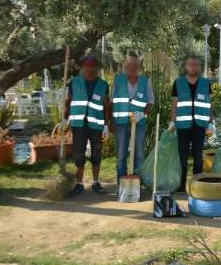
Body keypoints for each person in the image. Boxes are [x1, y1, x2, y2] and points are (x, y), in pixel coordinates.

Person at [64, 55, 110, 197]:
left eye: (92, 67)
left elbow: (106, 106)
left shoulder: (103, 85)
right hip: (79, 124)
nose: (90, 69)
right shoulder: (73, 83)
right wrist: (65, 119)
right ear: (83, 68)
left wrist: (106, 125)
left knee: (96, 154)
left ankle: (96, 182)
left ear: (96, 69)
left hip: (96, 125)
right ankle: (79, 184)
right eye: (87, 67)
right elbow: (68, 102)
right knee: (79, 154)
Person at [169, 55, 213, 192]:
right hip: (183, 126)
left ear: (199, 67)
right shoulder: (178, 83)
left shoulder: (206, 83)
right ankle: (181, 186)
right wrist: (172, 122)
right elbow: (175, 105)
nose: (193, 67)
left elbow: (208, 104)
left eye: (196, 64)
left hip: (199, 126)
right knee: (182, 158)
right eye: (190, 64)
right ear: (185, 66)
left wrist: (211, 122)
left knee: (198, 158)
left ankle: (196, 185)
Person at [110, 54, 154, 188]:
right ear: (125, 66)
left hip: (139, 123)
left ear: (139, 67)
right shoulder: (118, 80)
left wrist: (142, 114)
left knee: (139, 155)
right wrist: (111, 122)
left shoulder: (145, 81)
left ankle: (137, 184)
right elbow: (111, 101)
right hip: (121, 123)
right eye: (129, 65)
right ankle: (121, 184)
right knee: (121, 155)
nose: (132, 68)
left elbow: (150, 101)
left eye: (135, 65)